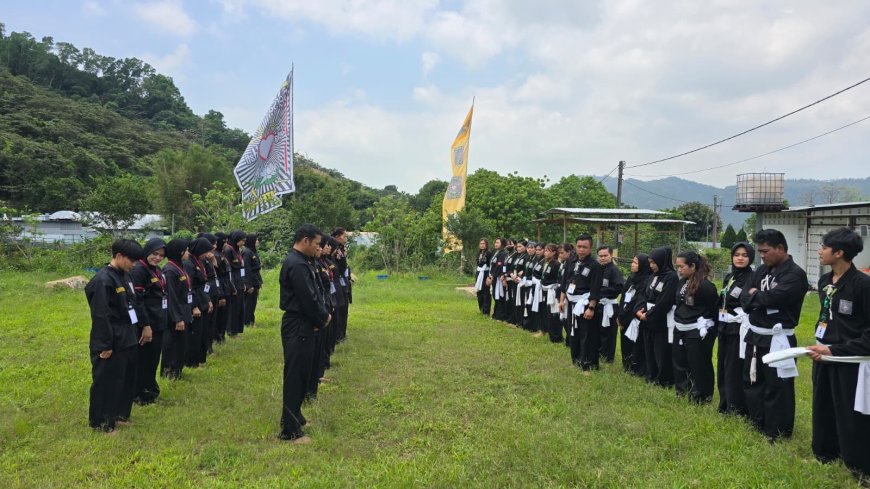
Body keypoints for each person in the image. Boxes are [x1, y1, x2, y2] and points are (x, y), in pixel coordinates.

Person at [805, 227, 870, 478]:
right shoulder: (824, 282)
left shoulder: (863, 286)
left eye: (824, 246)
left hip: (850, 359)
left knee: (851, 413)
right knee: (823, 406)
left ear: (840, 252)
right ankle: (825, 453)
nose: (820, 251)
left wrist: (835, 348)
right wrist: (824, 346)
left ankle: (860, 466)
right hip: (824, 355)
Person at [739, 228, 807, 441]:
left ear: (780, 248)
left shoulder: (795, 274)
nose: (762, 256)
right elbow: (744, 297)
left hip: (779, 337)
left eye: (766, 251)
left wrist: (757, 295)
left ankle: (777, 430)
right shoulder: (761, 271)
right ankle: (757, 422)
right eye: (760, 252)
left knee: (778, 384)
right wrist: (757, 296)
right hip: (756, 333)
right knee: (753, 379)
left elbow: (774, 298)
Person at [278, 224, 331, 443]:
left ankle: (296, 416)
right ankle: (289, 431)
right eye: (317, 244)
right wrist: (322, 317)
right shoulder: (296, 264)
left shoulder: (303, 262)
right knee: (295, 376)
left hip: (305, 324)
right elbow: (307, 298)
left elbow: (315, 292)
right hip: (298, 323)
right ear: (306, 241)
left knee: (303, 373)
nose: (318, 248)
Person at [85, 239, 144, 433]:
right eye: (132, 260)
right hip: (111, 337)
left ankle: (119, 415)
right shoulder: (103, 280)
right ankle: (101, 423)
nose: (134, 264)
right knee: (107, 381)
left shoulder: (125, 276)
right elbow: (101, 315)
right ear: (119, 256)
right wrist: (105, 345)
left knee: (125, 378)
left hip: (128, 335)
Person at [672, 251, 718, 403]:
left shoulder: (706, 286)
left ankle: (702, 396)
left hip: (697, 330)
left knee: (698, 363)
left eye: (681, 266)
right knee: (680, 361)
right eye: (677, 266)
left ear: (692, 266)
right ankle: (682, 390)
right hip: (680, 327)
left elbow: (713, 311)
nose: (679, 270)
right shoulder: (682, 282)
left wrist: (709, 330)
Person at [717, 242, 754, 416]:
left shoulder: (751, 278)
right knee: (723, 366)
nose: (740, 258)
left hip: (738, 328)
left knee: (734, 368)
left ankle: (736, 407)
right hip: (725, 326)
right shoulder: (730, 277)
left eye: (744, 255)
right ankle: (724, 403)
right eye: (737, 254)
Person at [130, 238, 167, 405]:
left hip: (158, 320)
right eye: (154, 254)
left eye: (161, 255)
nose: (157, 258)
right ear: (147, 252)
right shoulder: (139, 270)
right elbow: (137, 301)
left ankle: (150, 389)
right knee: (144, 360)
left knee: (152, 359)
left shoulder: (156, 269)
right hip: (147, 324)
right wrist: (145, 325)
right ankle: (139, 394)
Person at [636, 247, 677, 387]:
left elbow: (665, 301)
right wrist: (639, 310)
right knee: (648, 348)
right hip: (646, 316)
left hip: (660, 319)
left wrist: (649, 315)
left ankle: (663, 379)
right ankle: (651, 374)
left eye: (654, 262)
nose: (652, 266)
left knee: (661, 350)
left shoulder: (671, 277)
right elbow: (644, 294)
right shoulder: (653, 276)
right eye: (650, 263)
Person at [563, 234, 602, 371]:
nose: (581, 250)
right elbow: (565, 282)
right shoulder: (571, 261)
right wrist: (562, 300)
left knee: (587, 335)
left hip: (585, 304)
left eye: (585, 247)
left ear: (590, 248)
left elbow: (595, 289)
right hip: (572, 303)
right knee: (573, 332)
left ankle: (588, 364)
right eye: (579, 246)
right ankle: (576, 360)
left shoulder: (595, 266)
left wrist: (591, 307)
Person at [161, 239, 191, 380]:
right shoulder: (169, 270)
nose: (188, 253)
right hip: (175, 315)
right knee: (172, 344)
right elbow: (171, 297)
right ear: (180, 252)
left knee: (181, 344)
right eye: (186, 250)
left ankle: (177, 371)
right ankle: (169, 372)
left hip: (184, 309)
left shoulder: (180, 266)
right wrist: (177, 318)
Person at [618, 254, 650, 376]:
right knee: (625, 343)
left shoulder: (646, 281)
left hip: (634, 318)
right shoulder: (631, 279)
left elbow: (639, 301)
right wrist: (620, 315)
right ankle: (627, 365)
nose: (632, 264)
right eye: (633, 261)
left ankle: (636, 368)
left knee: (635, 344)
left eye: (636, 263)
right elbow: (623, 297)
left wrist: (629, 315)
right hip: (624, 316)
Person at [184, 237, 213, 367]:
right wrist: (193, 306)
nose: (207, 254)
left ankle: (201, 359)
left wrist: (208, 301)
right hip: (196, 301)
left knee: (202, 332)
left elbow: (205, 282)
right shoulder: (189, 264)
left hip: (203, 299)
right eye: (205, 251)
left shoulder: (200, 261)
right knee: (194, 334)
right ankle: (192, 362)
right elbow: (189, 287)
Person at [597, 246, 624, 363]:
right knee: (599, 330)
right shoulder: (598, 269)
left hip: (609, 305)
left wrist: (603, 292)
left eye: (605, 255)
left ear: (611, 255)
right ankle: (599, 353)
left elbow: (619, 287)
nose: (603, 258)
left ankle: (608, 357)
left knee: (609, 332)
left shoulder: (614, 270)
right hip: (599, 304)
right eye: (601, 256)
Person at [331, 227, 352, 343]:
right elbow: (338, 269)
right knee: (338, 310)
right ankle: (338, 335)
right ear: (337, 236)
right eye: (344, 236)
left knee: (344, 309)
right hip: (336, 284)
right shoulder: (333, 252)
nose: (346, 239)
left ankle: (342, 333)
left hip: (343, 283)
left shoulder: (341, 249)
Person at [225, 230, 247, 337]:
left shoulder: (238, 249)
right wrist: (232, 286)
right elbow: (228, 270)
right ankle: (231, 330)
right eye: (242, 240)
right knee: (233, 308)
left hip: (240, 280)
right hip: (234, 280)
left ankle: (237, 329)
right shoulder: (228, 250)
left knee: (240, 307)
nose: (243, 242)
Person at [213, 232, 233, 345]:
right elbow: (218, 276)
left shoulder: (221, 253)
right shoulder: (215, 255)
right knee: (220, 316)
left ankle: (221, 335)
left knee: (224, 315)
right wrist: (221, 294)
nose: (225, 244)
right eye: (223, 241)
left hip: (226, 287)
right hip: (220, 288)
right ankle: (217, 336)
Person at [541, 244, 563, 343]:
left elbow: (558, 279)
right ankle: (551, 334)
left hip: (553, 291)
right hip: (546, 290)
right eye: (545, 250)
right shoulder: (546, 263)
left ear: (554, 252)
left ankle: (557, 336)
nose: (546, 252)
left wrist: (552, 286)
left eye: (548, 251)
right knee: (549, 313)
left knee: (555, 314)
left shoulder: (557, 264)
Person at [243, 233, 263, 328]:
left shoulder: (253, 251)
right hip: (250, 282)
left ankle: (251, 320)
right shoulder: (247, 253)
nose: (258, 242)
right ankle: (247, 321)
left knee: (253, 302)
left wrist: (259, 281)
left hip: (255, 280)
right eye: (256, 240)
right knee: (249, 303)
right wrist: (249, 285)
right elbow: (247, 269)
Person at [488, 238, 509, 322]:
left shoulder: (503, 254)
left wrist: (493, 276)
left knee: (500, 296)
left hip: (499, 277)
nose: (496, 244)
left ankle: (500, 316)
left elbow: (500, 266)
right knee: (495, 296)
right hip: (493, 277)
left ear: (502, 244)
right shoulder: (495, 252)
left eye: (498, 242)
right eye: (495, 242)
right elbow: (493, 265)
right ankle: (495, 314)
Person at [510, 241, 529, 326]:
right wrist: (511, 275)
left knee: (521, 301)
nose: (518, 248)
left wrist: (520, 275)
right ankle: (517, 320)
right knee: (515, 300)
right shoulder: (516, 256)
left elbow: (526, 270)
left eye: (520, 246)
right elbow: (510, 267)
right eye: (517, 247)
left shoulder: (527, 257)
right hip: (514, 280)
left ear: (525, 247)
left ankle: (522, 321)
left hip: (521, 281)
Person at [475, 239, 493, 315]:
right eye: (481, 243)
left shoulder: (489, 253)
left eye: (484, 243)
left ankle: (486, 310)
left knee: (486, 292)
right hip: (479, 273)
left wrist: (489, 276)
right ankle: (481, 308)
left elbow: (490, 265)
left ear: (486, 245)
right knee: (479, 291)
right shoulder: (479, 253)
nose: (482, 245)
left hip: (485, 273)